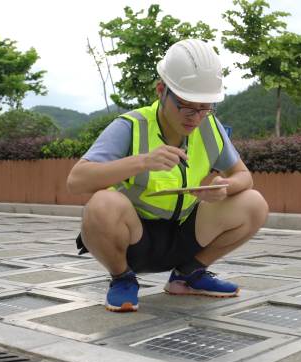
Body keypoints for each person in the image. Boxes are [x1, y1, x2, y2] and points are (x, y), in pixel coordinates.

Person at [66, 39, 268, 312]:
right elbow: (76, 180)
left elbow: (244, 176)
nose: (195, 117)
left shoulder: (210, 128)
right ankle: (122, 278)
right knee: (102, 204)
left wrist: (225, 186)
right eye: (186, 106)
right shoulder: (130, 126)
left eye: (204, 107)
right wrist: (141, 162)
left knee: (253, 203)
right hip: (135, 240)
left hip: (185, 234)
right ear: (162, 91)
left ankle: (188, 275)